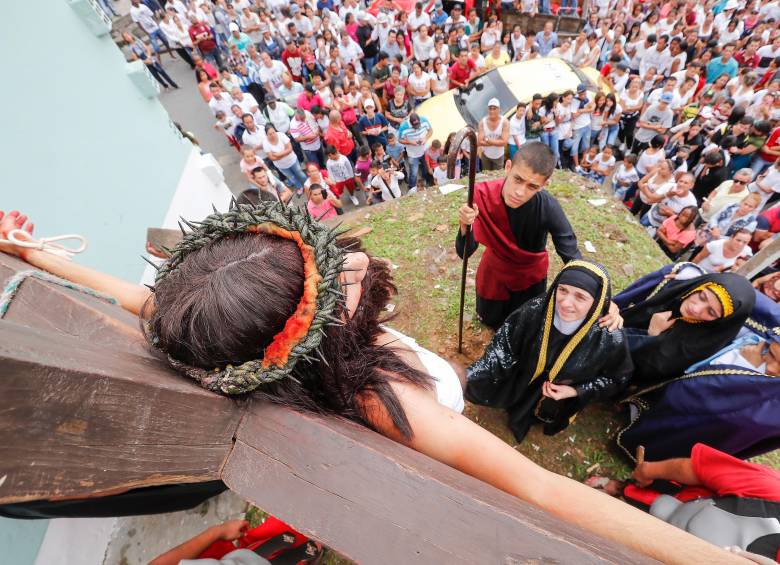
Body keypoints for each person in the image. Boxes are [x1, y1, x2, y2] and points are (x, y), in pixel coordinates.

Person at [0, 207, 749, 564]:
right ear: (305, 341)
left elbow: (145, 305)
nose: (354, 262)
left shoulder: (212, 342)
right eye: (330, 286)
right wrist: (718, 558)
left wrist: (34, 254)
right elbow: (541, 489)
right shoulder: (385, 405)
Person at [466, 261, 633, 443]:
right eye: (562, 290)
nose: (565, 303)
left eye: (580, 297)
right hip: (521, 379)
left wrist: (575, 391)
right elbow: (504, 346)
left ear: (598, 301)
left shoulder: (609, 337)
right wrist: (466, 377)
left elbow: (617, 378)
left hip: (557, 398)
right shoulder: (536, 310)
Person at [455, 142, 590, 330]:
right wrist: (465, 226)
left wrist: (599, 295)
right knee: (490, 319)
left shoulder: (549, 207)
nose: (520, 192)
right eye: (518, 179)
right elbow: (465, 252)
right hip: (495, 271)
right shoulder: (482, 194)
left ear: (544, 185)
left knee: (524, 323)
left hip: (530, 276)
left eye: (532, 186)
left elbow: (571, 254)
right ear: (508, 167)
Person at [616, 271, 755, 384]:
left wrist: (653, 335)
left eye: (711, 312)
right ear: (699, 286)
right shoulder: (675, 293)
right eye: (702, 296)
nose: (695, 309)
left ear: (720, 321)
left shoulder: (701, 343)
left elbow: (648, 374)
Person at [262, 125, 307, 192]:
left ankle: (308, 184)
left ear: (275, 131)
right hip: (281, 166)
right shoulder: (265, 143)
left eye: (273, 132)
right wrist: (285, 153)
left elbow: (290, 149)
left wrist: (277, 155)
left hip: (292, 161)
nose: (273, 135)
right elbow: (272, 158)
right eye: (270, 134)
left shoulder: (281, 135)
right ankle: (299, 187)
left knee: (300, 174)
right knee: (292, 178)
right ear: (266, 135)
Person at [398, 113, 433, 190]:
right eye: (415, 127)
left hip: (425, 150)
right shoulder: (403, 127)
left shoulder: (424, 120)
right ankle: (412, 187)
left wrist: (425, 139)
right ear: (410, 122)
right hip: (413, 154)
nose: (417, 128)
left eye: (418, 126)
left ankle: (424, 183)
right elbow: (400, 140)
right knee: (413, 173)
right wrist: (411, 142)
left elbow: (430, 131)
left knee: (425, 168)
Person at [477, 98, 509, 171]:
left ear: (499, 109)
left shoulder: (504, 122)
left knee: (497, 179)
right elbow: (479, 142)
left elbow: (504, 143)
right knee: (486, 176)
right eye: (490, 108)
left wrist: (487, 139)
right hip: (486, 156)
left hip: (499, 156)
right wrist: (498, 141)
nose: (492, 111)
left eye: (494, 108)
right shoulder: (482, 122)